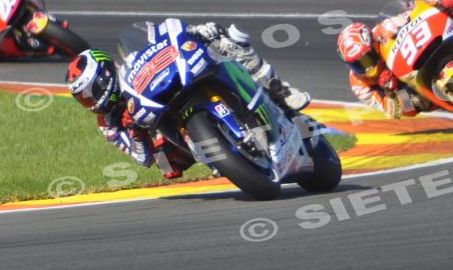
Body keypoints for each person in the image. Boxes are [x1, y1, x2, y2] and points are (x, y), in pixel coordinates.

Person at [65, 22, 310, 179]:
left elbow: (159, 36)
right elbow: (142, 158)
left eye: (91, 92)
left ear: (105, 76)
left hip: (169, 85)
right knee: (166, 165)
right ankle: (221, 158)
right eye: (84, 99)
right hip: (160, 126)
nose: (92, 101)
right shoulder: (107, 124)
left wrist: (193, 32)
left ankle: (281, 92)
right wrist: (134, 131)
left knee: (225, 43)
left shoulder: (130, 64)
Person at [337, 0, 453, 119]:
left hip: (419, 52)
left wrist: (439, 2)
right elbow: (392, 112)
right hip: (414, 90)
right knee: (409, 103)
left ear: (373, 44)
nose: (366, 68)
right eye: (357, 64)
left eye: (366, 59)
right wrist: (391, 92)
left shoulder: (384, 29)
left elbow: (414, 10)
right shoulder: (358, 84)